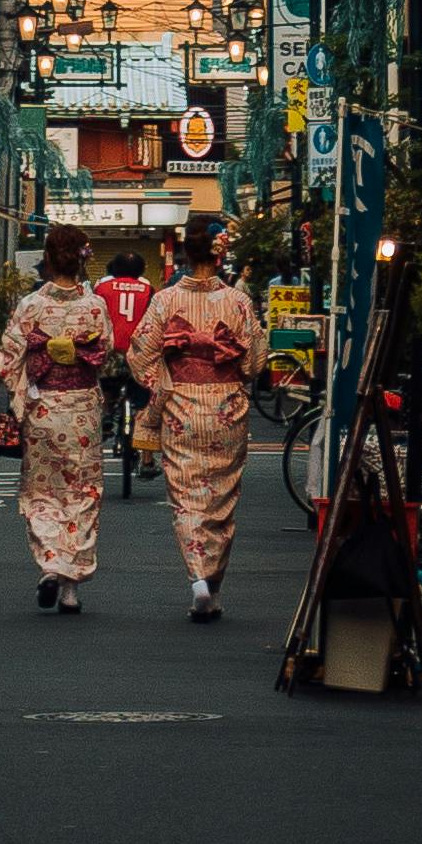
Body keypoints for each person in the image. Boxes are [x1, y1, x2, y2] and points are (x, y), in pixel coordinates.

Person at [130, 217, 263, 622]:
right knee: (220, 498)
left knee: (187, 498)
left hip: (181, 409)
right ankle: (216, 588)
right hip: (226, 410)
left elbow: (139, 354)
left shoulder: (166, 301)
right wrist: (231, 373)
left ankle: (199, 583)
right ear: (219, 254)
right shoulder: (238, 302)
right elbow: (256, 360)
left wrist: (163, 382)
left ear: (187, 255)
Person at [2, 230, 122, 611]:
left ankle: (50, 565)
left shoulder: (30, 306)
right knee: (82, 494)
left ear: (48, 259)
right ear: (82, 259)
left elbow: (9, 360)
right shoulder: (94, 307)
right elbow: (105, 354)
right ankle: (71, 588)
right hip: (83, 409)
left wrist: (22, 399)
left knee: (42, 493)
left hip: (43, 409)